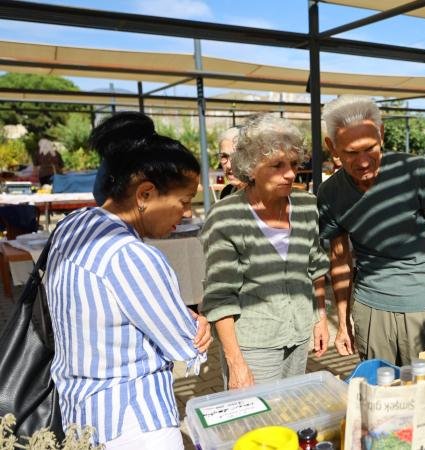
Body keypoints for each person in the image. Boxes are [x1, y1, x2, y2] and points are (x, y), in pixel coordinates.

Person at [46, 111, 212, 448]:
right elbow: (186, 342)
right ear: (145, 194)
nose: (186, 214)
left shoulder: (73, 225)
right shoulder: (133, 257)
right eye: (183, 202)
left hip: (82, 410)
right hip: (135, 422)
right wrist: (195, 321)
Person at [318, 95, 425, 365]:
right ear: (332, 147)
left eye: (370, 148)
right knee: (381, 392)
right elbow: (339, 258)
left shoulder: (413, 171)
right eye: (351, 153)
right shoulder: (330, 193)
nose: (363, 162)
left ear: (382, 135)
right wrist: (342, 322)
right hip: (371, 308)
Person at [201, 114, 329, 389]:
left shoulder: (306, 205)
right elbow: (220, 294)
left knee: (288, 412)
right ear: (250, 166)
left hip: (298, 334)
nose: (291, 174)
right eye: (277, 165)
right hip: (253, 344)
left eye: (294, 164)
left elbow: (315, 265)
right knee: (256, 420)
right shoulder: (227, 216)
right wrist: (236, 363)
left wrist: (320, 319)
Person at [218, 126, 244, 200]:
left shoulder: (263, 197)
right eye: (224, 156)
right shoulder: (226, 193)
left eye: (236, 156)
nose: (229, 166)